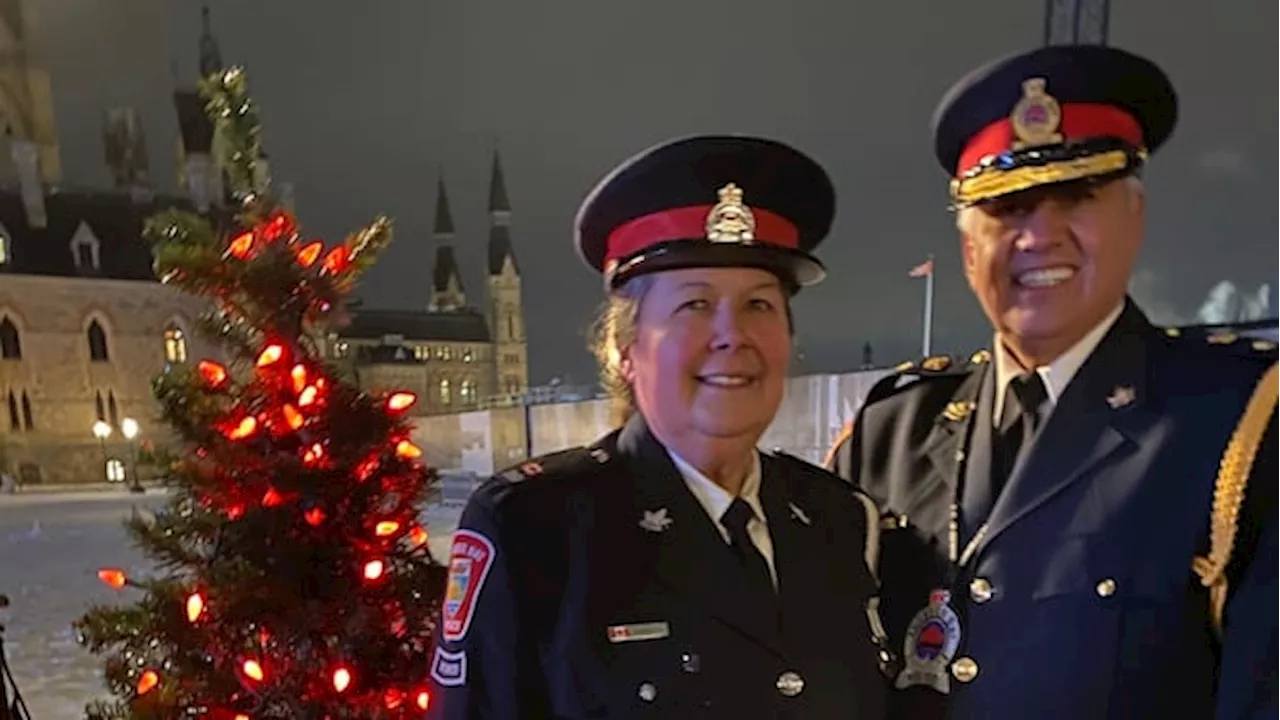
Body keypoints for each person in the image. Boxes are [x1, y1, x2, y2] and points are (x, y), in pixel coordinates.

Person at [826, 45, 1280, 719]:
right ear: (967, 245)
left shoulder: (1239, 420)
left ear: (1135, 216)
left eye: (1075, 199)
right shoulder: (893, 428)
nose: (1040, 236)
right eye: (1008, 209)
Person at [426, 135, 891, 718]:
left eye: (759, 306)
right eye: (694, 304)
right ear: (626, 348)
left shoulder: (839, 521)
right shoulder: (535, 529)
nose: (733, 334)